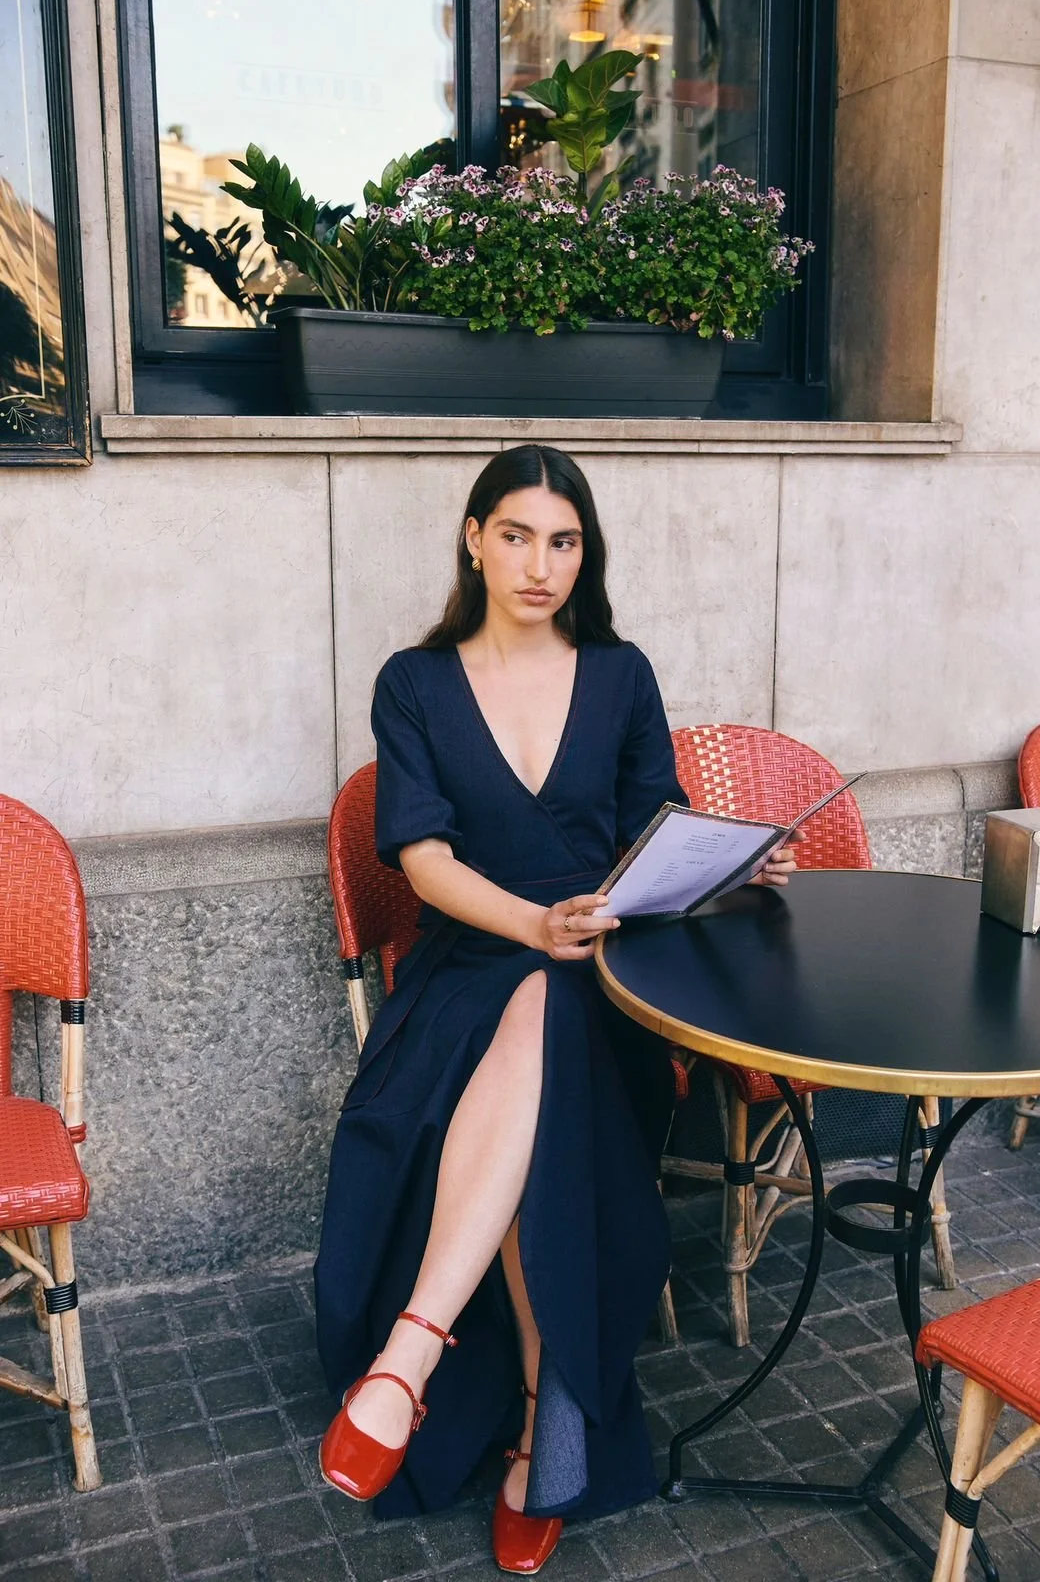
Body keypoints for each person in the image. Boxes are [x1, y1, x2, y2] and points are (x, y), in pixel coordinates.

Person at [314, 444, 799, 1574]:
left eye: (565, 541)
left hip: (608, 980)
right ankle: (546, 1419)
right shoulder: (414, 683)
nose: (541, 563)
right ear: (474, 538)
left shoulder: (621, 674)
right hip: (468, 974)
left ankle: (406, 1364)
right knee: (537, 1011)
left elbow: (654, 832)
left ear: (588, 555)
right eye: (519, 535)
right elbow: (424, 864)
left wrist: (730, 868)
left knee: (559, 1009)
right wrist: (531, 927)